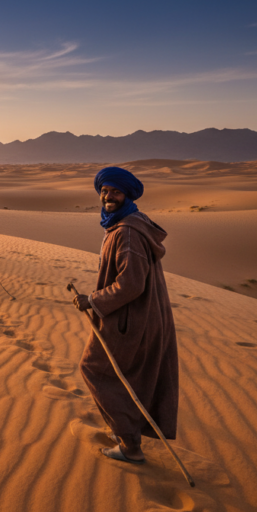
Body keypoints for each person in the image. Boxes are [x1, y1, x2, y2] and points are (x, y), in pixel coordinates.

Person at [71, 166, 179, 465]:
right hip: (142, 316)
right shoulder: (130, 223)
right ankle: (127, 434)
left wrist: (92, 300)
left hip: (131, 320)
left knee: (95, 369)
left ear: (127, 194)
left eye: (115, 191)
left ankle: (130, 445)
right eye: (104, 191)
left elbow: (130, 284)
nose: (108, 196)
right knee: (128, 376)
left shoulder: (128, 232)